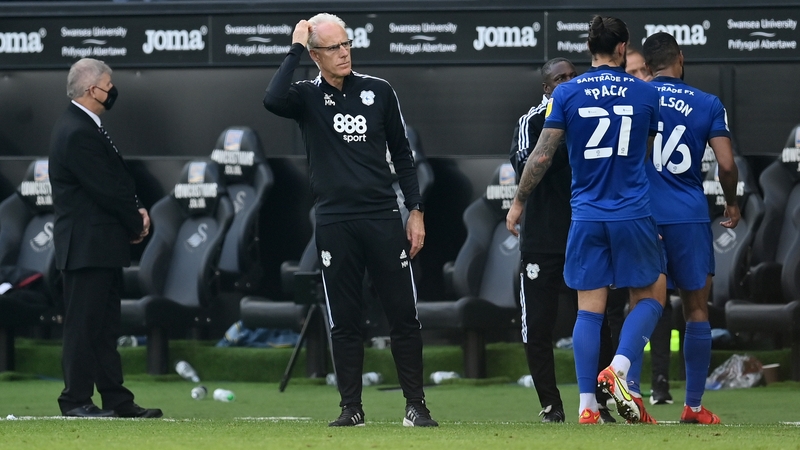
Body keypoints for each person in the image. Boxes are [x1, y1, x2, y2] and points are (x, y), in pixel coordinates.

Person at [263, 13, 436, 427]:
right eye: (333, 48)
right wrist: (294, 47)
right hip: (334, 221)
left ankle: (416, 405)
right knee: (344, 317)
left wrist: (415, 211)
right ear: (315, 55)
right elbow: (271, 99)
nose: (343, 53)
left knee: (403, 316)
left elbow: (403, 156)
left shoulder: (379, 90)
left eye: (346, 45)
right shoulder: (304, 95)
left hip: (381, 215)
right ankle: (351, 408)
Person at [506, 15, 666, 424]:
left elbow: (541, 155)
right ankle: (620, 368)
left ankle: (586, 406)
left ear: (590, 49)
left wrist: (519, 201)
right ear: (621, 49)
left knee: (588, 312)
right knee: (651, 296)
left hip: (586, 215)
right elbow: (645, 152)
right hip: (631, 211)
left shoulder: (568, 92)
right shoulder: (646, 93)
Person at [49, 58, 161, 418]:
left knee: (103, 329)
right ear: (90, 89)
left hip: (100, 247)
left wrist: (136, 210)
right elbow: (105, 190)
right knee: (84, 328)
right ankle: (75, 400)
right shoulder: (78, 130)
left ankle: (117, 400)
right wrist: (136, 220)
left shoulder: (85, 126)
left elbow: (115, 183)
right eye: (108, 84)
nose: (112, 90)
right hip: (87, 248)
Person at [510, 57, 616, 424]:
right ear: (546, 87)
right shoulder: (532, 121)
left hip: (586, 232)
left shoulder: (592, 116)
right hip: (542, 237)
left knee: (598, 320)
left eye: (573, 76)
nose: (568, 81)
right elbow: (525, 163)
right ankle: (551, 404)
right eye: (560, 78)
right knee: (538, 324)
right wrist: (558, 128)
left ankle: (599, 401)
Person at [641, 31, 740, 424]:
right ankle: (693, 406)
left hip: (643, 214)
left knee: (643, 305)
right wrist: (731, 201)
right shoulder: (708, 102)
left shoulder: (637, 96)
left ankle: (633, 397)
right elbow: (727, 165)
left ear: (646, 66)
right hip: (689, 215)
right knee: (697, 310)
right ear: (680, 58)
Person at [626, 44, 674, 406]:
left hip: (670, 210)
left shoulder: (659, 105)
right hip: (631, 214)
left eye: (645, 71)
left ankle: (659, 382)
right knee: (633, 300)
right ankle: (629, 382)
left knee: (662, 299)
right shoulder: (622, 113)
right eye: (633, 73)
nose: (643, 79)